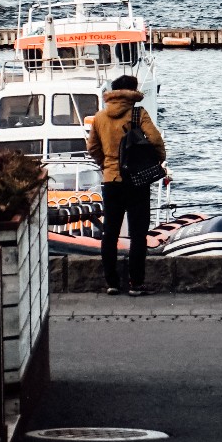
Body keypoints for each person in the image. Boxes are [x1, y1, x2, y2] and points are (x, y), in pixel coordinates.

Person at [87, 73, 166, 295]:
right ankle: (136, 283)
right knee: (138, 233)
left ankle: (112, 283)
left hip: (111, 181)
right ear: (132, 92)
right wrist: (157, 160)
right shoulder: (138, 114)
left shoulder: (100, 117)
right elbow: (156, 139)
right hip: (136, 181)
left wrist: (107, 165)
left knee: (110, 233)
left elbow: (92, 147)